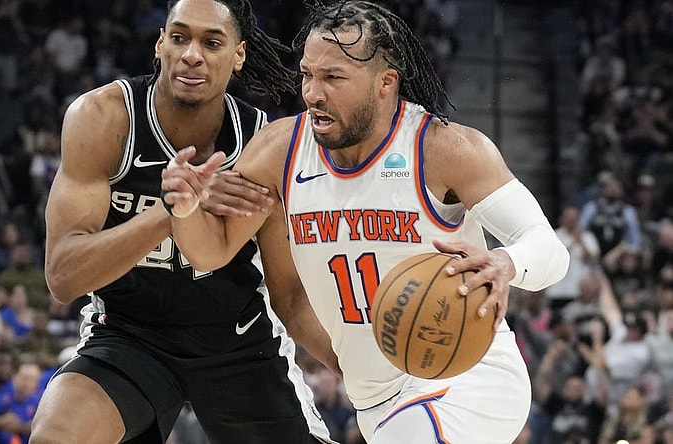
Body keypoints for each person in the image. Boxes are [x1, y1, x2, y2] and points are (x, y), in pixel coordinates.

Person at [163, 1, 571, 443]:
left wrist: (505, 264)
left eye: (334, 78)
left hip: (469, 378)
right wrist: (185, 210)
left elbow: (549, 250)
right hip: (376, 404)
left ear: (386, 83)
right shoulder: (279, 152)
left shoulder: (445, 149)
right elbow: (216, 252)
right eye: (307, 75)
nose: (313, 93)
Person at [29, 0, 336, 443]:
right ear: (160, 44)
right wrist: (172, 210)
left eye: (212, 43)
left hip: (238, 341)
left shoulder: (259, 144)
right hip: (130, 336)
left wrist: (352, 367)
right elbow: (61, 277)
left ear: (238, 56)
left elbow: (288, 295)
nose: (192, 53)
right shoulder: (104, 118)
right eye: (179, 37)